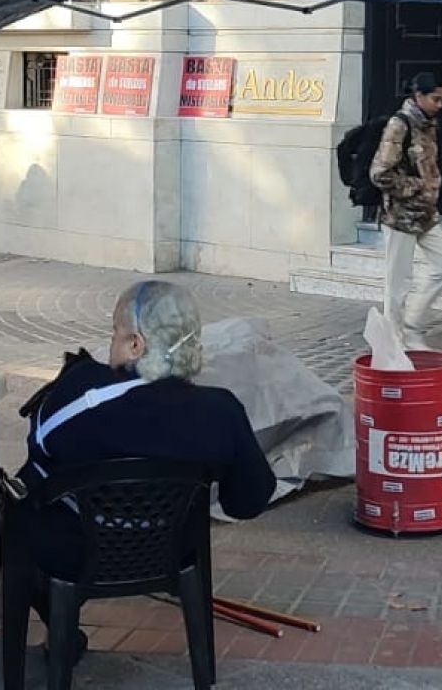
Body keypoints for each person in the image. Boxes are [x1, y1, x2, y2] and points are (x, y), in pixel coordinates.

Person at [15, 281, 275, 664]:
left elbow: (39, 451)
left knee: (10, 515)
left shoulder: (82, 390)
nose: (111, 345)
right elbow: (248, 501)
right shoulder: (222, 412)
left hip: (75, 551)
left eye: (115, 334)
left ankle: (62, 629)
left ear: (136, 344)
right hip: (173, 550)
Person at [370, 72, 442, 347]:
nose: (440, 105)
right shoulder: (400, 125)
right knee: (397, 284)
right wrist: (417, 187)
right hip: (399, 216)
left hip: (427, 213)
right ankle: (394, 341)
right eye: (435, 99)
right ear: (418, 96)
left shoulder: (429, 124)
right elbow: (380, 173)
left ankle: (412, 324)